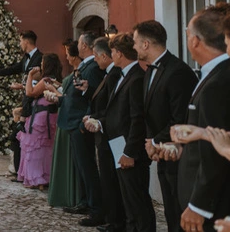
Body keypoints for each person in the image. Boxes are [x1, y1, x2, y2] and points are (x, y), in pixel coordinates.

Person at [166, 3, 230, 232]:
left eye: (187, 35)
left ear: (195, 40)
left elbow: (216, 148)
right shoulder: (214, 75)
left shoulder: (218, 83)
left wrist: (199, 205)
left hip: (213, 207)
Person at [84, 33, 156, 232]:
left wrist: (130, 152)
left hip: (128, 149)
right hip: (118, 144)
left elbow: (137, 119)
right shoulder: (124, 75)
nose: (111, 55)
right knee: (128, 201)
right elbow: (116, 113)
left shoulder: (135, 79)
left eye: (113, 51)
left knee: (137, 200)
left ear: (119, 53)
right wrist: (100, 122)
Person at [133, 20, 198, 232]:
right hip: (161, 155)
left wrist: (155, 141)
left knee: (181, 215)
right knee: (171, 213)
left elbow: (180, 117)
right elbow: (150, 113)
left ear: (145, 44)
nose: (133, 47)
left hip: (179, 156)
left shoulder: (178, 71)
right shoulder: (148, 71)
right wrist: (151, 143)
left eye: (135, 42)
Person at [47, 31, 104, 226]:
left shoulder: (93, 68)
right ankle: (86, 202)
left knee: (88, 167)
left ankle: (96, 208)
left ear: (85, 46)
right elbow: (74, 96)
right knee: (81, 167)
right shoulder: (85, 67)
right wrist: (59, 98)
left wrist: (83, 123)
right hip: (72, 121)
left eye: (79, 42)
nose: (76, 45)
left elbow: (95, 98)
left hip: (80, 124)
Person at [81, 36, 125, 232]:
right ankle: (112, 218)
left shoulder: (114, 74)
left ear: (106, 56)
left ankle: (116, 220)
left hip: (110, 133)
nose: (95, 60)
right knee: (107, 178)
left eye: (97, 56)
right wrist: (88, 91)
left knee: (111, 180)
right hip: (103, 129)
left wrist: (96, 119)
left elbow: (111, 105)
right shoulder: (108, 74)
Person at [0, 31, 42, 171]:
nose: (19, 43)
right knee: (18, 136)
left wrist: (21, 86)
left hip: (33, 104)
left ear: (26, 42)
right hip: (26, 101)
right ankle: (19, 170)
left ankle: (19, 170)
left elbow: (39, 83)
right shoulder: (27, 58)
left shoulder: (40, 58)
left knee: (18, 136)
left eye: (20, 41)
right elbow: (14, 68)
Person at [47, 39, 84, 208]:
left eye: (68, 54)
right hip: (66, 119)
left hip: (72, 121)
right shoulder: (75, 73)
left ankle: (75, 197)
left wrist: (55, 93)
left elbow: (70, 98)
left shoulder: (82, 73)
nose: (67, 58)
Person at [17, 53, 62, 189]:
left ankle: (37, 179)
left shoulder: (46, 80)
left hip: (41, 115)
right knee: (47, 147)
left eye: (43, 63)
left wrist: (30, 76)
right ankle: (46, 177)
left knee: (34, 146)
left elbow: (30, 92)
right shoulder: (58, 79)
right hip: (51, 115)